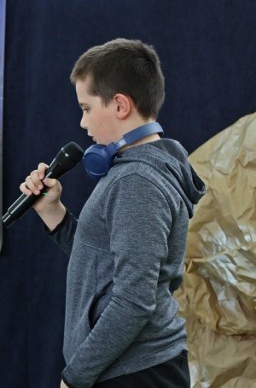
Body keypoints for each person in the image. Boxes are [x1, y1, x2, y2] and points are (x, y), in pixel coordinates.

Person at [19, 38, 206, 388]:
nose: (82, 123)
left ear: (120, 104)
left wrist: (75, 377)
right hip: (128, 370)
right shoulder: (133, 171)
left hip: (134, 374)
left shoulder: (137, 181)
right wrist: (52, 211)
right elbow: (102, 263)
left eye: (86, 108)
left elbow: (134, 299)